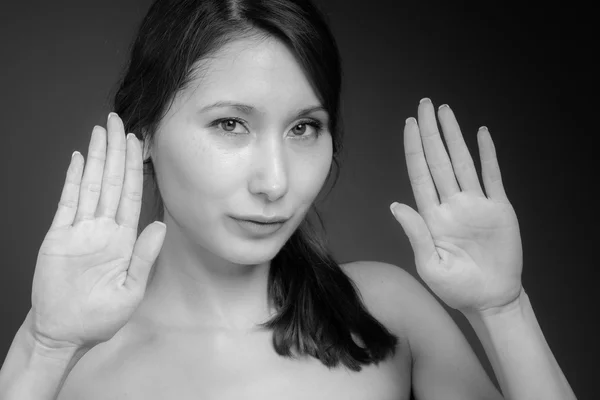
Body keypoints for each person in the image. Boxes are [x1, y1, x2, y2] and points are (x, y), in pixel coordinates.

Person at [0, 0, 578, 399]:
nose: (275, 182)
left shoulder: (387, 313)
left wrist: (505, 312)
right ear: (144, 129)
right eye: (230, 124)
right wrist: (43, 348)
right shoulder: (72, 361)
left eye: (304, 128)